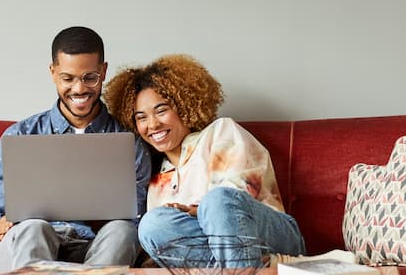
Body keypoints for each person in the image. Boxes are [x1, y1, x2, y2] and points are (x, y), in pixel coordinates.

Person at [103, 54, 305, 267]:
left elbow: (234, 202)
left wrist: (196, 210)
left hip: (272, 237)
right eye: (141, 117)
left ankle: (250, 265)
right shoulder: (156, 179)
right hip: (232, 259)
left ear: (183, 106)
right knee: (151, 224)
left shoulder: (220, 132)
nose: (152, 124)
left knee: (217, 201)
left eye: (161, 110)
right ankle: (252, 268)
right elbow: (169, 243)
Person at [0, 26, 152, 272]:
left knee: (123, 230)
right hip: (28, 247)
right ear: (53, 72)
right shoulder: (21, 135)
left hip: (95, 249)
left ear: (103, 71)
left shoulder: (129, 141)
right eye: (68, 78)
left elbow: (137, 217)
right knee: (33, 226)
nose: (79, 89)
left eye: (89, 77)